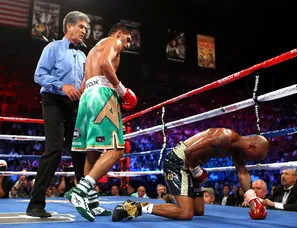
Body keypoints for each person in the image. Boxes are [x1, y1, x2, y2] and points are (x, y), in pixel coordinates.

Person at [112, 128, 269, 221]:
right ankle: (137, 207)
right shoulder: (224, 137)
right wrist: (196, 171)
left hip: (192, 165)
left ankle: (174, 197)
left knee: (199, 211)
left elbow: (242, 172)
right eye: (254, 158)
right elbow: (188, 151)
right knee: (186, 213)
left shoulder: (237, 150)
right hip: (179, 162)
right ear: (250, 146)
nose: (251, 161)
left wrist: (253, 199)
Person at [64, 23, 137, 222]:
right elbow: (106, 63)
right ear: (120, 33)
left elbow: (83, 83)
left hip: (87, 96)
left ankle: (92, 202)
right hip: (101, 95)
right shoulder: (114, 41)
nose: (128, 44)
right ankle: (79, 191)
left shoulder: (92, 51)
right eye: (128, 39)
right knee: (117, 149)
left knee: (92, 151)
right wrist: (121, 89)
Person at [26, 11, 89, 217]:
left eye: (85, 28)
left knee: (80, 151)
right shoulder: (52, 48)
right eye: (80, 26)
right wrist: (62, 86)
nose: (84, 31)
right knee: (53, 150)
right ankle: (35, 204)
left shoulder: (82, 55)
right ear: (68, 26)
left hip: (75, 105)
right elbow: (39, 75)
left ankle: (88, 199)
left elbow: (83, 83)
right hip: (53, 101)